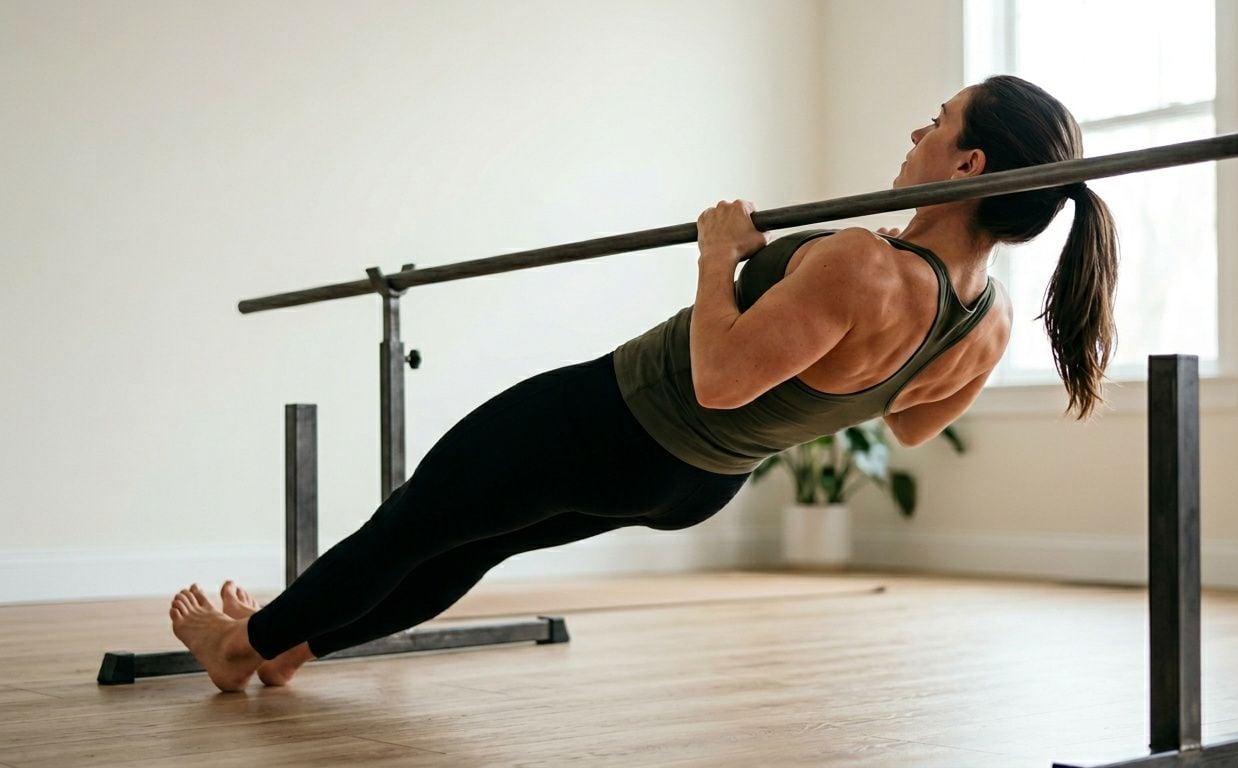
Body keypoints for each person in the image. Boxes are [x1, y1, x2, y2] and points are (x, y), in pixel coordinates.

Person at [168, 74, 1119, 692]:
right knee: (470, 541)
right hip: (695, 483)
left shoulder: (864, 265)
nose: (918, 126)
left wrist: (718, 256)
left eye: (939, 117)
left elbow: (717, 380)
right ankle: (297, 642)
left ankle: (238, 650)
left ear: (969, 162)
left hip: (620, 419)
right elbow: (909, 426)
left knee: (417, 522)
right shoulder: (987, 321)